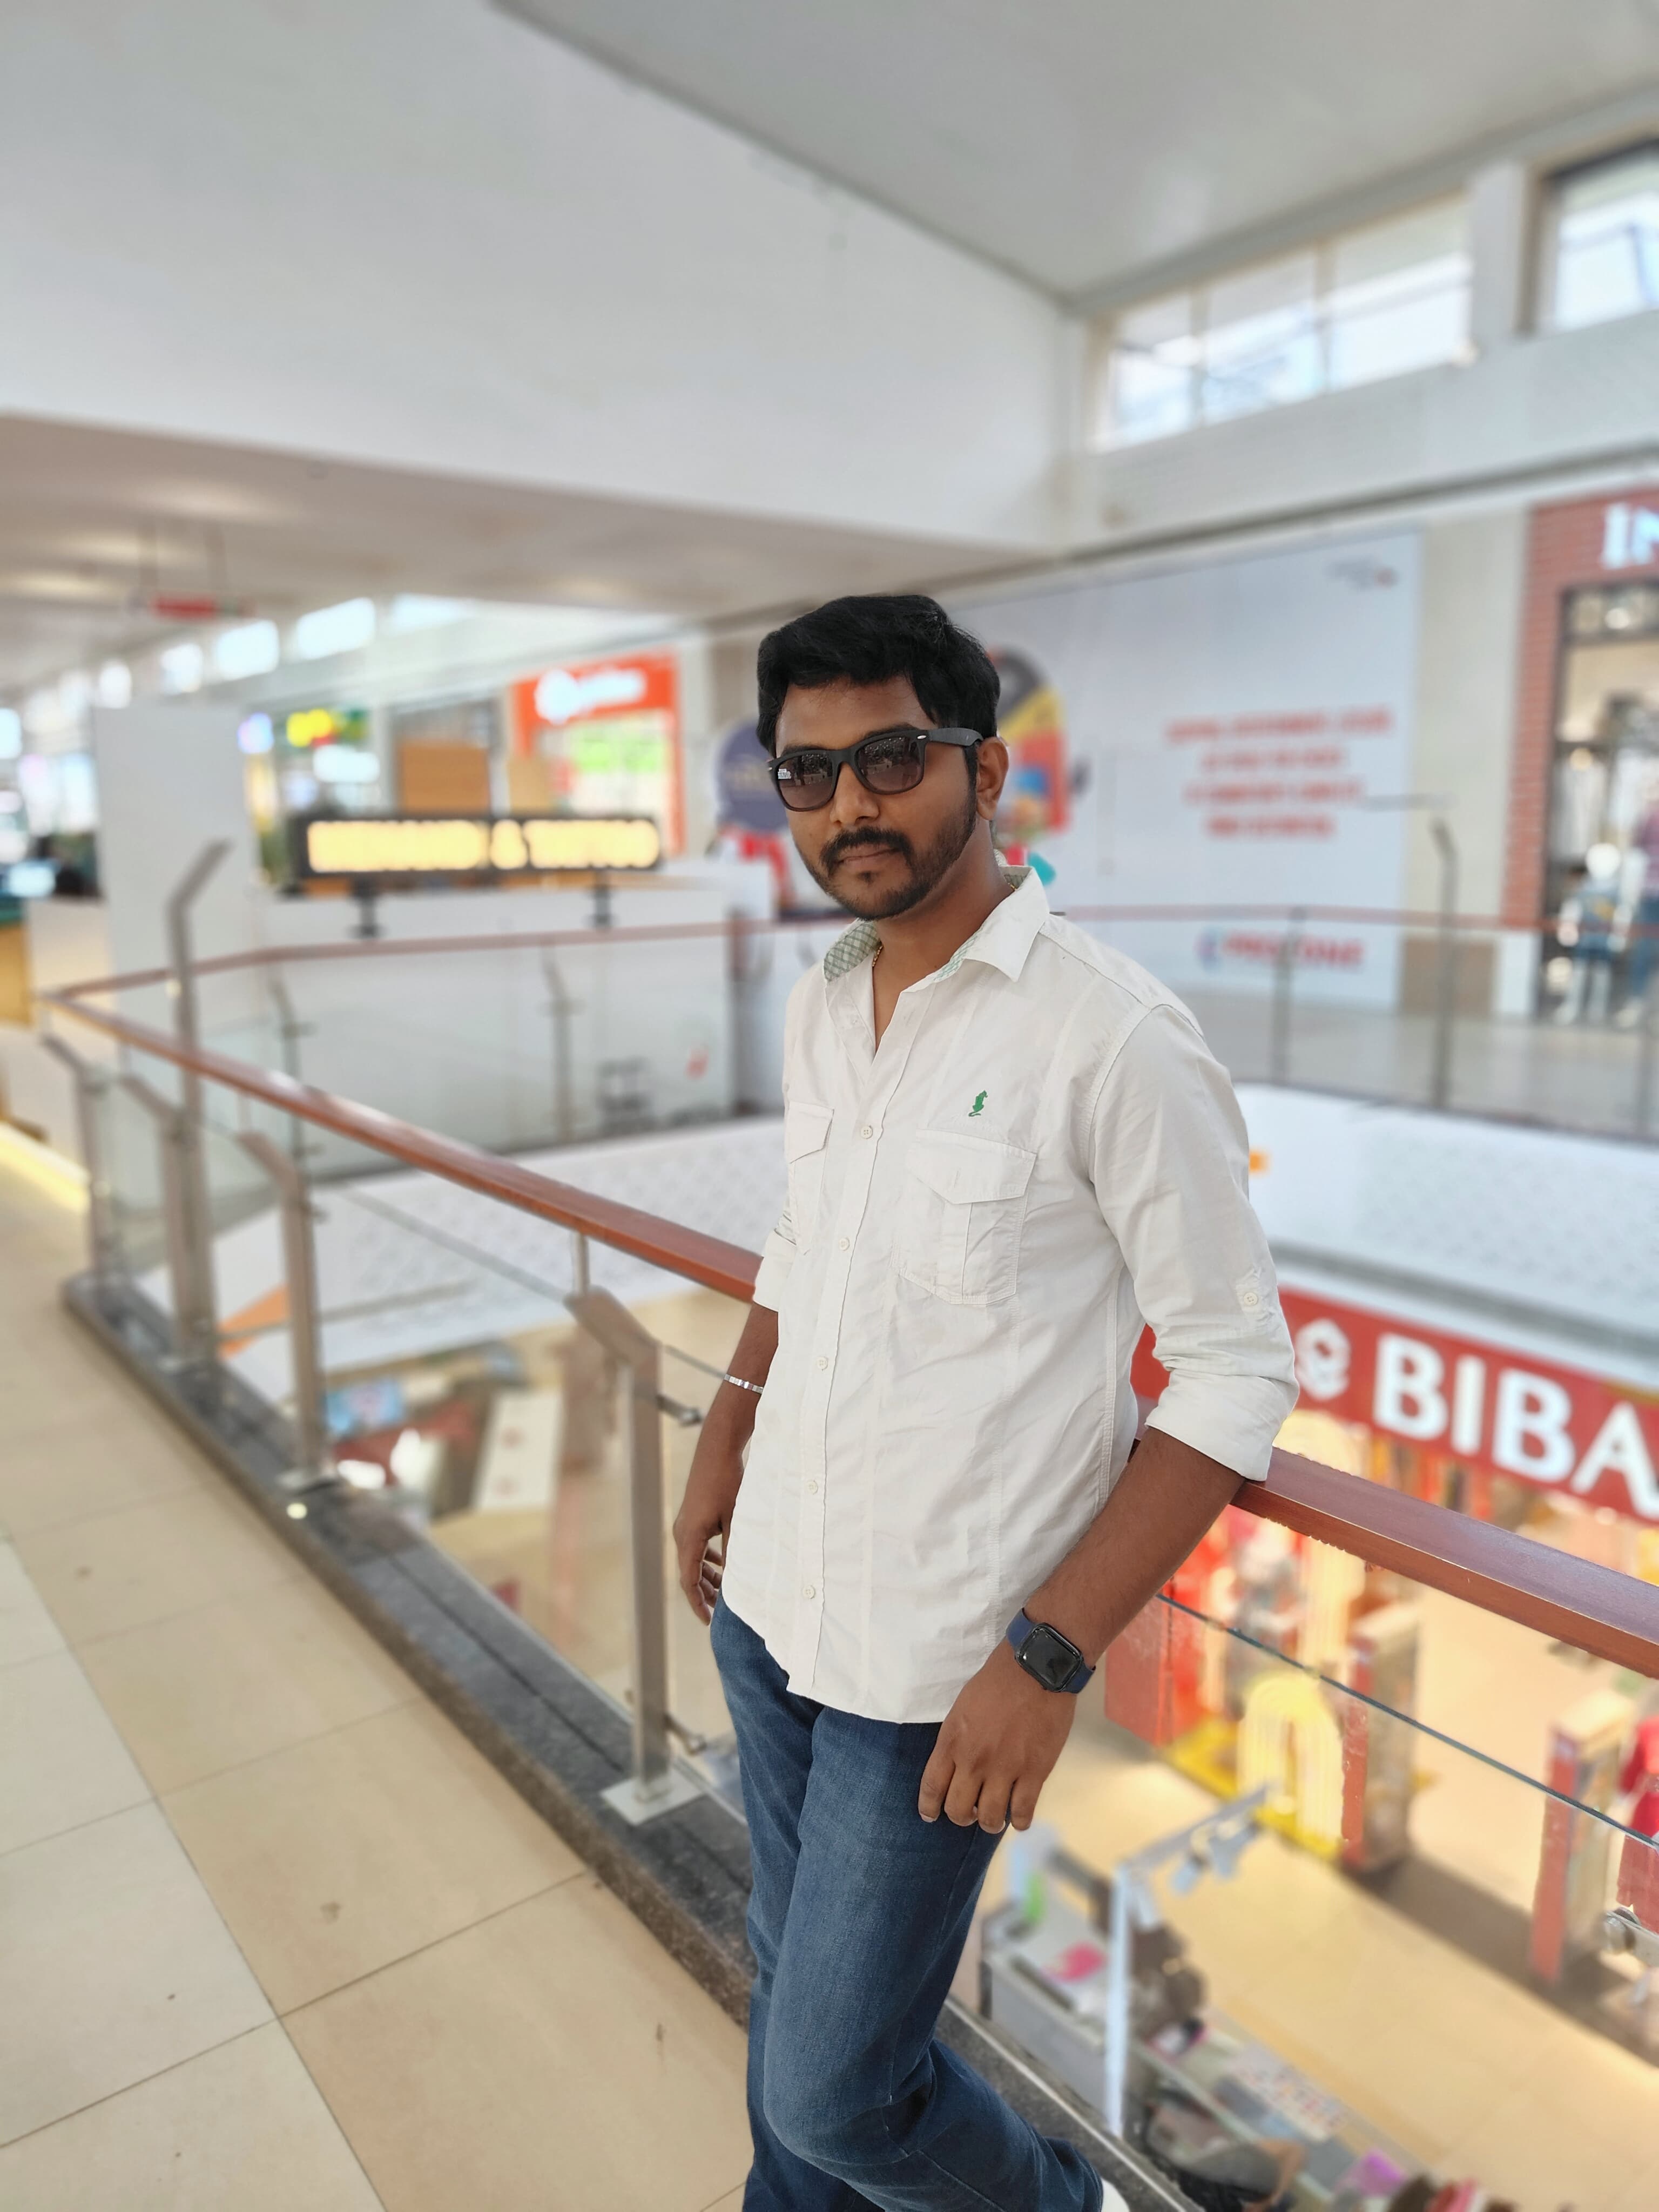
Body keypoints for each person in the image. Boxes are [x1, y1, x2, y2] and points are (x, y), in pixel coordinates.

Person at [673, 595, 1298, 2212]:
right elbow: (804, 1242)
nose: (850, 805)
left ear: (988, 769)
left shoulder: (1111, 1037)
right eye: (809, 773)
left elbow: (1236, 1368)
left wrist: (1049, 1656)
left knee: (840, 2092)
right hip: (772, 1604)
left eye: (892, 758)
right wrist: (725, 1433)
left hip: (940, 1673)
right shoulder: (826, 997)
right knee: (785, 1979)